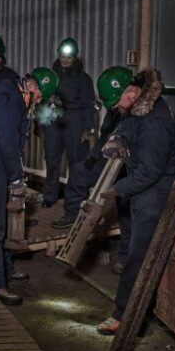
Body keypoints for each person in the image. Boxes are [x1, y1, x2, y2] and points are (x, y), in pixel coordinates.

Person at [94, 68, 175, 335]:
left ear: (131, 92)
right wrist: (118, 138)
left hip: (158, 191)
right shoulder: (140, 107)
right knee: (134, 247)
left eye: (117, 102)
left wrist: (116, 189)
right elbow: (127, 123)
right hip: (145, 186)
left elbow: (149, 171)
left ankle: (124, 314)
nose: (116, 108)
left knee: (139, 255)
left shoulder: (156, 123)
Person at [0, 66, 58, 306]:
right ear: (31, 87)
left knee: (5, 221)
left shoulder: (14, 96)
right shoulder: (7, 98)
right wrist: (17, 177)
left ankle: (5, 270)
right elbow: (7, 142)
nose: (38, 102)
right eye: (39, 96)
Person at [51, 66, 133, 273]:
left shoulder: (141, 116)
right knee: (78, 171)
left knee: (126, 209)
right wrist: (92, 156)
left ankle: (125, 256)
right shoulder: (114, 112)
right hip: (109, 160)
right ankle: (71, 215)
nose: (114, 106)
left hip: (131, 168)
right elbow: (104, 137)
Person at [41, 37, 96, 207]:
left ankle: (75, 199)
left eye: (69, 57)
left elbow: (88, 104)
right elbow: (42, 99)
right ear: (59, 56)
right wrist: (41, 122)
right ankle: (50, 197)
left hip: (74, 119)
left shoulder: (83, 79)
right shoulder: (50, 76)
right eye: (63, 56)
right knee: (52, 160)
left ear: (74, 58)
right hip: (54, 120)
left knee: (76, 161)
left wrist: (87, 129)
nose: (65, 60)